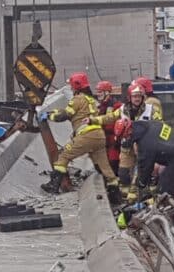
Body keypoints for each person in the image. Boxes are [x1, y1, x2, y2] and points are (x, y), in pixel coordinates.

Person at [40, 72, 121, 203]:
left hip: (86, 136)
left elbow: (65, 115)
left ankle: (53, 186)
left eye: (71, 86)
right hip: (99, 137)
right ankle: (116, 198)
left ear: (76, 86)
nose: (71, 88)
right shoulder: (91, 100)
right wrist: (52, 112)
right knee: (106, 168)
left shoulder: (77, 99)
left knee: (64, 156)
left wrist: (49, 117)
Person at [115, 118, 174, 232]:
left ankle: (164, 227)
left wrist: (141, 183)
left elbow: (145, 166)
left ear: (129, 131)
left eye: (125, 136)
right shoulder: (150, 125)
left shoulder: (145, 143)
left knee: (164, 193)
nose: (126, 139)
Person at [91, 81, 162, 197]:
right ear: (130, 97)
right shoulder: (123, 109)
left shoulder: (151, 110)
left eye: (139, 96)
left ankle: (144, 195)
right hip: (127, 146)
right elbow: (109, 118)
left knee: (143, 173)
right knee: (123, 174)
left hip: (144, 147)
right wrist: (92, 120)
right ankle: (124, 197)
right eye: (134, 96)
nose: (137, 99)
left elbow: (160, 125)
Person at [95, 80, 123, 175]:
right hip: (102, 141)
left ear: (107, 92)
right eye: (97, 91)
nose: (97, 94)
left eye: (100, 91)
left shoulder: (116, 105)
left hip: (113, 141)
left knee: (113, 163)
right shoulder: (100, 106)